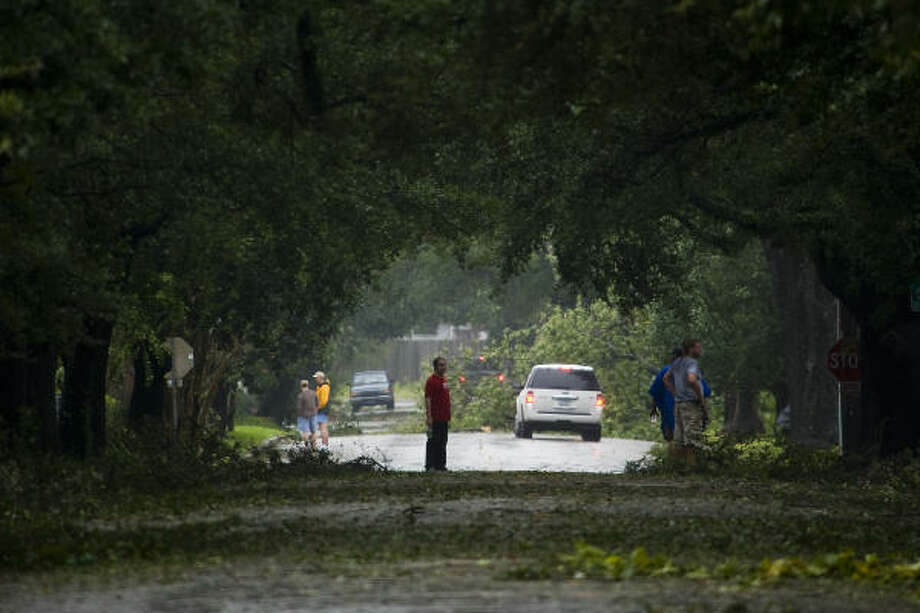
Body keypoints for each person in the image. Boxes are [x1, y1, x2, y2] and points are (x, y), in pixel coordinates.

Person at [648, 347, 712, 442]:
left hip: (670, 411)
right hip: (688, 409)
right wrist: (704, 410)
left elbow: (655, 393)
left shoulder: (665, 371)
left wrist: (653, 409)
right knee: (691, 437)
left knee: (674, 437)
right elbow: (703, 393)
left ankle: (674, 453)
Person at [663, 338, 708, 467]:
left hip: (679, 404)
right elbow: (692, 379)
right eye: (698, 347)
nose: (700, 350)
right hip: (691, 404)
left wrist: (675, 393)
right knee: (692, 437)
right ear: (691, 349)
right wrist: (700, 397)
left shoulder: (677, 362)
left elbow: (666, 378)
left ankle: (675, 466)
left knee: (679, 437)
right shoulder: (692, 363)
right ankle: (692, 467)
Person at [424, 356, 451, 471]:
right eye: (441, 365)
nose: (443, 367)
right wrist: (429, 416)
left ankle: (441, 465)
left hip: (444, 417)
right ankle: (430, 465)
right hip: (435, 417)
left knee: (443, 442)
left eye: (444, 364)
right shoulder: (431, 381)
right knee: (433, 442)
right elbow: (428, 399)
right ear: (435, 367)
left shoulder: (444, 380)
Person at [296, 379, 318, 449]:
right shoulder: (314, 393)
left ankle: (306, 445)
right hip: (313, 414)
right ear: (308, 385)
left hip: (303, 415)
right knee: (314, 431)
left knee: (305, 432)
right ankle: (314, 446)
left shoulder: (301, 395)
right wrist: (315, 411)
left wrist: (299, 415)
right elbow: (317, 404)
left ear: (301, 386)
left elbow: (299, 407)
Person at [313, 371, 331, 450]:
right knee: (321, 428)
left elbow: (323, 401)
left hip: (322, 410)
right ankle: (324, 445)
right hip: (320, 410)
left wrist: (318, 408)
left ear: (320, 378)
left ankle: (325, 445)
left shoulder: (324, 387)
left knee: (323, 428)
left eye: (316, 377)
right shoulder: (320, 387)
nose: (315, 379)